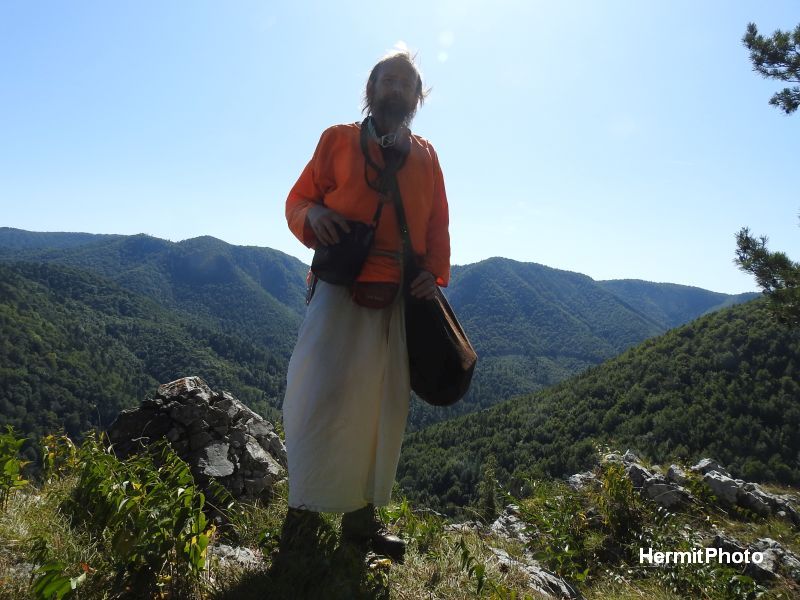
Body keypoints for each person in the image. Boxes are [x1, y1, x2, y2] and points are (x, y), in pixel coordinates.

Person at [281, 50, 450, 562]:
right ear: (371, 90)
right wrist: (313, 214)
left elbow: (437, 227)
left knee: (382, 412)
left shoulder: (426, 156)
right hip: (339, 289)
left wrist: (431, 275)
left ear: (416, 98)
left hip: (397, 298)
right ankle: (302, 522)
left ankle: (361, 524)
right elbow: (296, 202)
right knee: (317, 400)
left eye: (406, 83)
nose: (396, 89)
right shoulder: (336, 140)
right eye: (388, 79)